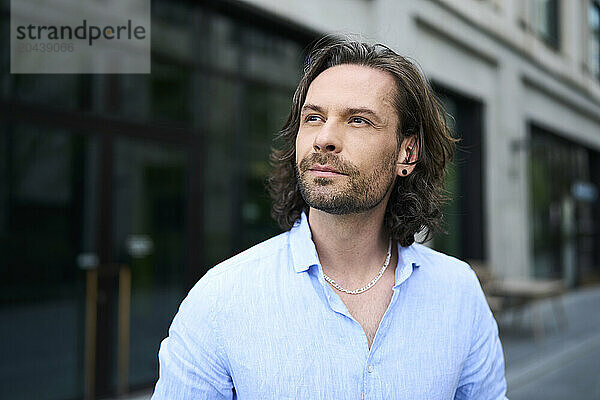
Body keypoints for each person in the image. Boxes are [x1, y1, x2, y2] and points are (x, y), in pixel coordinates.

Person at [152, 36, 507, 399]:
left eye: (358, 120)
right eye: (314, 118)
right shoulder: (220, 298)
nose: (324, 138)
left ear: (407, 152)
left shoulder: (459, 291)